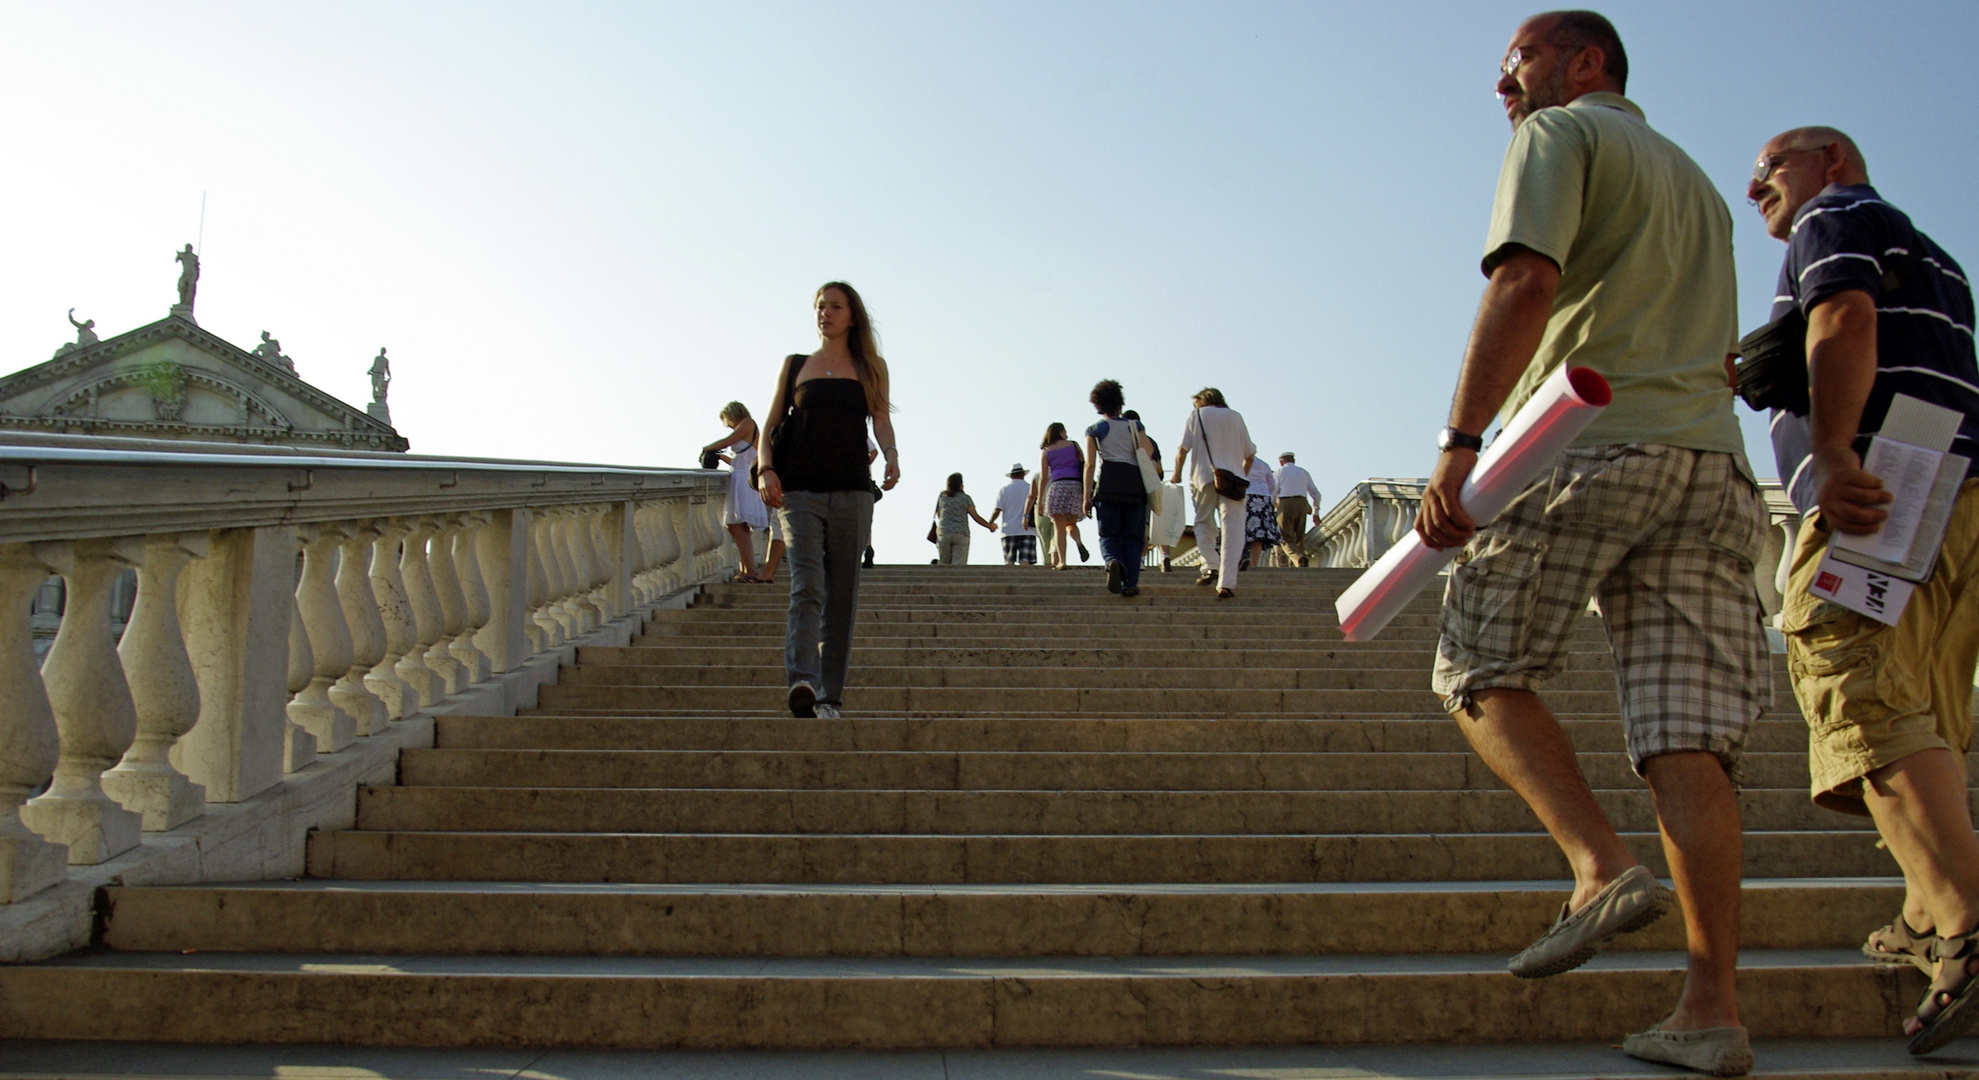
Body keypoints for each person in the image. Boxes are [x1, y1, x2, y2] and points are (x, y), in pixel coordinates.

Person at [1412, 13, 1767, 1076]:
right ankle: (1708, 1011)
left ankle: (1595, 863)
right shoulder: (1700, 185)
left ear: (1582, 63)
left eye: (1513, 62)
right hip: (1708, 466)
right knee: (1682, 738)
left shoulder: (1561, 137)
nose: (1499, 87)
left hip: (1588, 442)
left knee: (1474, 667)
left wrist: (1459, 448)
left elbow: (1523, 283)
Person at [1747, 126, 1979, 1056]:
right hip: (1951, 486)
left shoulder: (1834, 213)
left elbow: (1843, 319)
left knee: (1849, 672)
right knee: (1916, 698)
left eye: (1768, 169)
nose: (1757, 186)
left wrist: (1834, 448)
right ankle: (1926, 913)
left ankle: (1963, 915)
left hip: (1882, 481)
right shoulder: (1935, 255)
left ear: (1827, 162)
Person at [756, 281, 900, 721]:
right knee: (807, 585)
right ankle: (802, 680)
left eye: (835, 306)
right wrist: (766, 468)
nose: (826, 313)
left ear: (852, 315)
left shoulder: (871, 366)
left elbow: (880, 419)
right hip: (799, 491)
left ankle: (829, 696)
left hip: (853, 492)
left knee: (843, 596)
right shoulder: (796, 365)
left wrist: (892, 455)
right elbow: (770, 424)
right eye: (820, 306)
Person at [1171, 387, 1254, 598]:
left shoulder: (1196, 415)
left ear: (1201, 401)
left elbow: (1182, 450)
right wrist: (1239, 474)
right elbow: (1250, 454)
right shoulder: (1236, 417)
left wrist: (1177, 474)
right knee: (1233, 529)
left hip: (1203, 478)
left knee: (1203, 522)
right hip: (1233, 481)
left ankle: (1210, 564)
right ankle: (1226, 583)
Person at [1082, 380, 1156, 598]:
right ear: (1120, 402)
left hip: (1108, 483)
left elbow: (1090, 465)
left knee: (1108, 534)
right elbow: (1149, 451)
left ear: (1098, 405)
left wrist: (1086, 496)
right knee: (1133, 537)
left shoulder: (1095, 430)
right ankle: (1130, 583)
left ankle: (1112, 560)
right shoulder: (1134, 426)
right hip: (1134, 485)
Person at [701, 401, 772, 583]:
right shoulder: (749, 427)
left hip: (742, 481)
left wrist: (707, 448)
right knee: (740, 528)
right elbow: (741, 460)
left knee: (736, 526)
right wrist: (722, 457)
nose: (729, 426)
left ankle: (750, 571)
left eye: (728, 422)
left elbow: (728, 441)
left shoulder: (747, 423)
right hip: (742, 476)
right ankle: (746, 569)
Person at [1038, 423, 1091, 568]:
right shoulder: (1073, 445)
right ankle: (1078, 542)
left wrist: (1040, 501)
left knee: (1058, 528)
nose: (1067, 435)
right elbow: (1085, 466)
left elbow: (1043, 478)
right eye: (1065, 432)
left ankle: (1062, 561)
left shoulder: (1046, 451)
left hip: (1057, 486)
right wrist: (1087, 492)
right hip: (1075, 486)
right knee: (1071, 524)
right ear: (1060, 432)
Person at [932, 473, 995, 565]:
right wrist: (989, 526)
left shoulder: (943, 497)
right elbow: (975, 516)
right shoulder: (966, 498)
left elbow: (939, 514)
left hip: (944, 533)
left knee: (944, 565)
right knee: (958, 565)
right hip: (961, 533)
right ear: (960, 485)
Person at [1275, 452, 1321, 567]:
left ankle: (1298, 558)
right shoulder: (1303, 472)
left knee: (1285, 537)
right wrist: (1316, 512)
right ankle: (1297, 564)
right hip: (1302, 503)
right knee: (1299, 537)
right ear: (1293, 460)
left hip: (1286, 503)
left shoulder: (1280, 472)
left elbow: (1273, 491)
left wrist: (1272, 508)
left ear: (1281, 462)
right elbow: (1316, 494)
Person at [988, 463, 1040, 566]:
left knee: (1009, 562)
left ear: (1011, 476)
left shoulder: (1004, 490)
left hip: (1009, 530)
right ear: (1023, 474)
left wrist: (990, 522)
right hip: (1027, 530)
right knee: (1025, 561)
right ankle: (1026, 581)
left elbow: (997, 510)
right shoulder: (1030, 488)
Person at [1242, 454, 1279, 570]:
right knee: (1258, 533)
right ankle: (1253, 563)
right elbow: (1272, 486)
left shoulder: (1236, 460)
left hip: (1244, 495)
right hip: (1263, 497)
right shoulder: (1263, 464)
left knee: (1240, 529)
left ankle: (1240, 559)